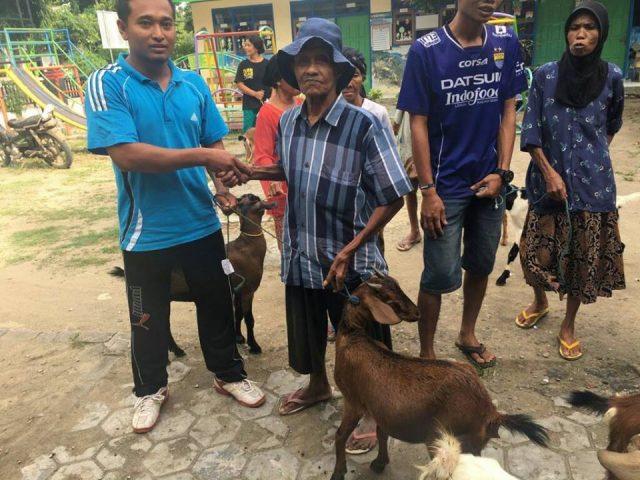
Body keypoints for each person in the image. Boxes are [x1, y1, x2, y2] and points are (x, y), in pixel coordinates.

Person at [85, 0, 265, 434]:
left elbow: (213, 147)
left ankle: (228, 373)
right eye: (145, 22)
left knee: (218, 303)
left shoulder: (193, 84)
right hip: (145, 232)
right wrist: (206, 154)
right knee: (147, 316)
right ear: (123, 28)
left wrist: (221, 188)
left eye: (166, 23)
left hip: (201, 225)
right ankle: (149, 390)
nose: (158, 32)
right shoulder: (107, 83)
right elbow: (127, 155)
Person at [221, 18, 412, 421]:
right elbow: (291, 171)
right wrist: (252, 172)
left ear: (338, 69)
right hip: (303, 252)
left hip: (351, 261)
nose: (310, 68)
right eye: (303, 60)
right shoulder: (289, 120)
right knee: (309, 335)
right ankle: (319, 386)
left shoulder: (365, 124)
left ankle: (374, 412)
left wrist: (354, 247)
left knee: (366, 343)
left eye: (321, 60)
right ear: (293, 71)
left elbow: (395, 195)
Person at [397, 0, 527, 367]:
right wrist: (428, 190)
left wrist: (502, 172)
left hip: (489, 183)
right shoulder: (426, 51)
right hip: (445, 187)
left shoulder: (505, 41)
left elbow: (507, 108)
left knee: (482, 263)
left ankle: (467, 333)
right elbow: (417, 123)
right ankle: (426, 353)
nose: (489, 1)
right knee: (437, 273)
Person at [516, 1, 625, 361]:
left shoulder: (612, 77)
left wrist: (590, 162)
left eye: (590, 28)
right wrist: (550, 172)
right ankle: (540, 300)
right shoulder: (546, 75)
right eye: (574, 27)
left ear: (601, 34)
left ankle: (569, 325)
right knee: (535, 253)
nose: (580, 34)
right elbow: (530, 131)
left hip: (593, 188)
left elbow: (611, 125)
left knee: (581, 258)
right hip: (547, 183)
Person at [252, 54, 301, 253]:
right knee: (289, 248)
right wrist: (273, 181)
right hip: (283, 189)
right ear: (278, 80)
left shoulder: (301, 104)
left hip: (305, 184)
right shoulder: (267, 113)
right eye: (292, 74)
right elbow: (263, 154)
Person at [341, 47, 394, 134]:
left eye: (354, 75)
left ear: (363, 78)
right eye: (343, 76)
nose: (348, 84)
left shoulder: (378, 113)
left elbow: (390, 146)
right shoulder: (328, 114)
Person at [394, 109, 422, 252]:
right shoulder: (408, 92)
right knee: (410, 192)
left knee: (435, 192)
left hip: (433, 150)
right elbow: (396, 125)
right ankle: (415, 231)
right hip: (409, 151)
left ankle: (436, 231)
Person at [235, 34, 270, 132]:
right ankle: (248, 148)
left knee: (265, 131)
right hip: (249, 105)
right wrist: (255, 94)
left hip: (266, 105)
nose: (245, 47)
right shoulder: (243, 65)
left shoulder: (267, 64)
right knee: (248, 131)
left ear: (256, 47)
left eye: (248, 45)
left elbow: (273, 84)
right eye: (245, 45)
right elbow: (239, 84)